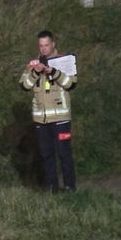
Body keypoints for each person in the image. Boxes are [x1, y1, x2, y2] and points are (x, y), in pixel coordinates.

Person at [20, 29, 78, 193]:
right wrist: (36, 73)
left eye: (46, 45)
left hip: (60, 118)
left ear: (53, 44)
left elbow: (71, 84)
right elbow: (24, 85)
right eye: (41, 46)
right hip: (41, 120)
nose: (44, 49)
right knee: (46, 155)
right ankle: (51, 187)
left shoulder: (65, 61)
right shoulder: (33, 64)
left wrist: (53, 72)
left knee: (64, 154)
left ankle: (69, 187)